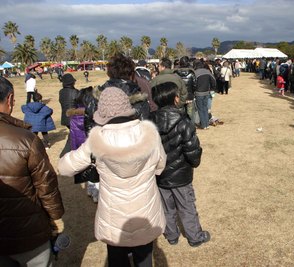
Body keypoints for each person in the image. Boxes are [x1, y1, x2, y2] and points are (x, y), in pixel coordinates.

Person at [58, 87, 166, 267]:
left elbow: (64, 168)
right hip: (146, 210)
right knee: (145, 257)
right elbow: (160, 165)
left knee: (116, 259)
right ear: (127, 106)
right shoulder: (149, 134)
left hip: (113, 216)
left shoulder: (97, 139)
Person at [0, 76, 65, 267]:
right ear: (10, 99)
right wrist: (55, 216)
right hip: (28, 234)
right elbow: (46, 186)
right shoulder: (26, 140)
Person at [151, 82, 210, 247]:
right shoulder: (184, 122)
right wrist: (194, 162)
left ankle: (171, 235)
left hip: (160, 174)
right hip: (181, 175)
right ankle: (195, 236)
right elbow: (193, 150)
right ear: (175, 98)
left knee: (166, 207)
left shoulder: (149, 121)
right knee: (186, 206)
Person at [59, 73, 79, 158]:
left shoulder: (61, 92)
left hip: (65, 117)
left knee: (73, 134)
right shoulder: (76, 92)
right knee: (73, 136)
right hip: (74, 118)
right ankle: (64, 154)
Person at [193, 60, 217, 129]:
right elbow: (213, 81)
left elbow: (193, 84)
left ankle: (203, 125)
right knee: (205, 108)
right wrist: (212, 88)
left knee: (200, 109)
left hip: (198, 93)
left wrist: (194, 91)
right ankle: (207, 124)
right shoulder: (207, 71)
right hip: (207, 92)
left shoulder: (195, 73)